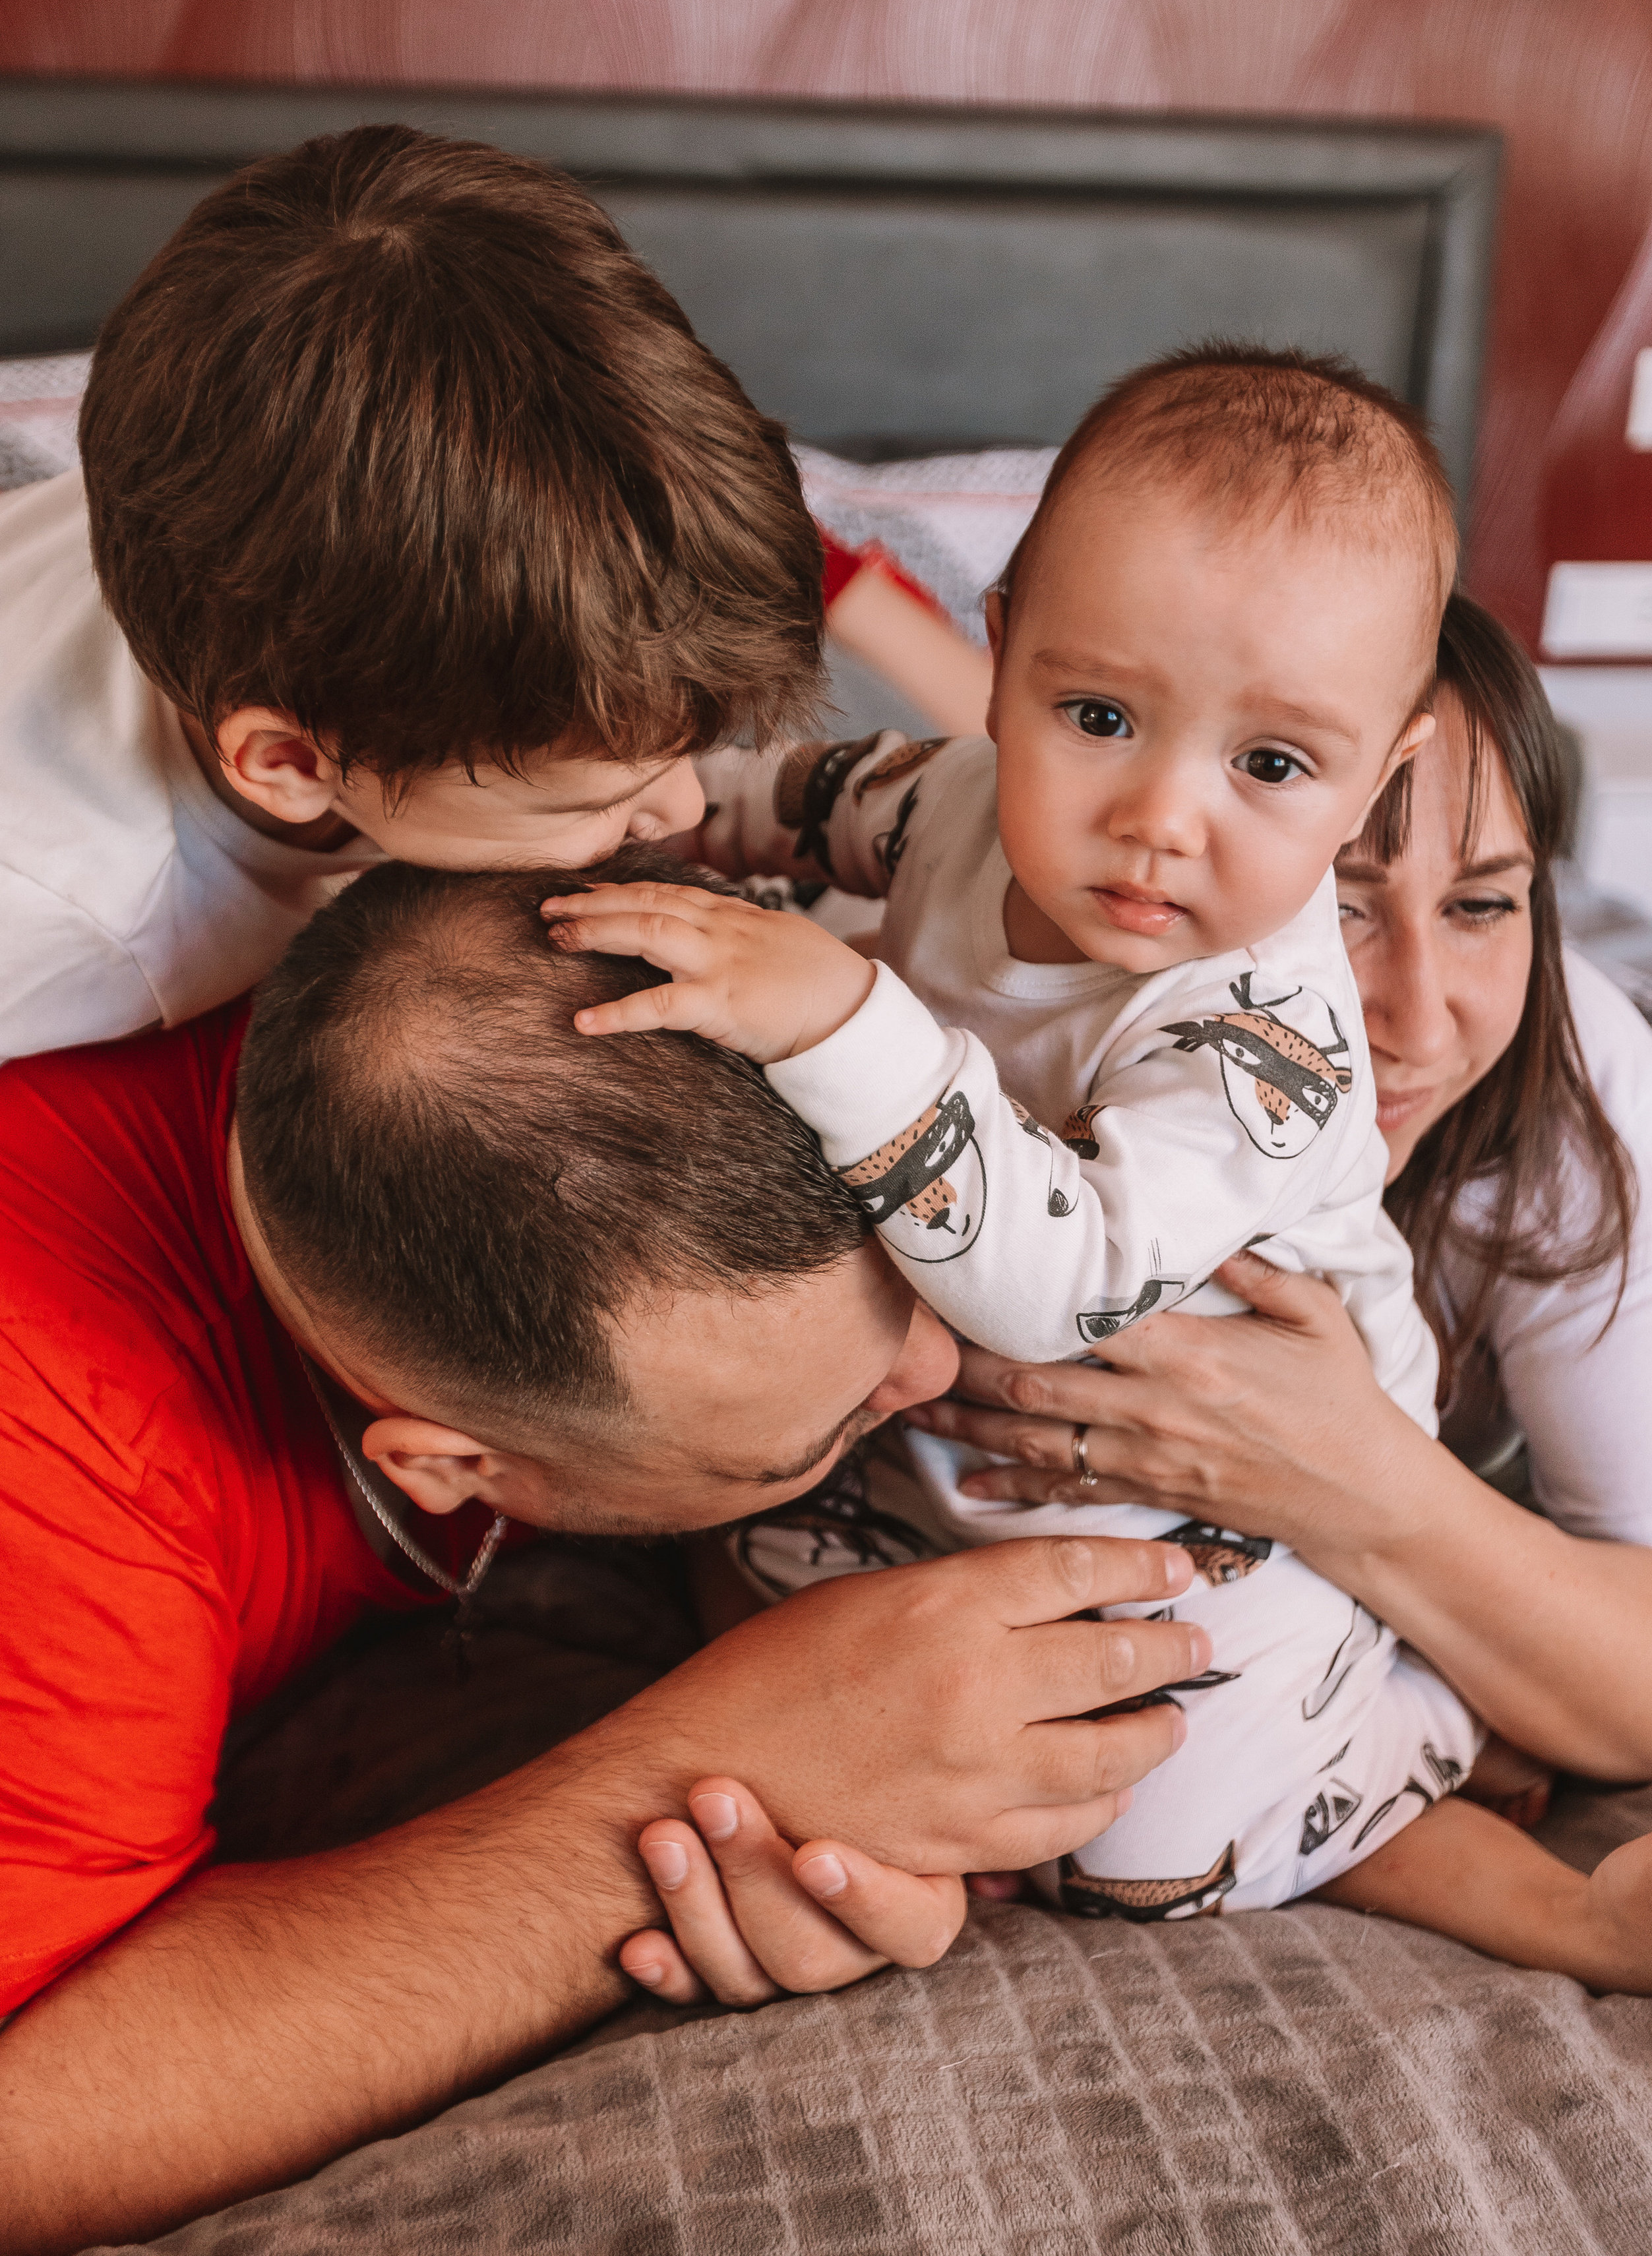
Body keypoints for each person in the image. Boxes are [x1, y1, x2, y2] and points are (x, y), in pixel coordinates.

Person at [549, 350, 1652, 1987]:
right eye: (1097, 719)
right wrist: (654, 814)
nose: (1158, 820)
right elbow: (813, 806)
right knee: (753, 1602)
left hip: (1235, 1539)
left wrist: (843, 1015)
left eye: (1272, 771)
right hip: (942, 1462)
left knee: (1151, 1848)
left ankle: (1403, 1730)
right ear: (999, 663)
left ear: (1368, 781)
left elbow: (1053, 1281)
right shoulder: (969, 802)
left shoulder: (1260, 1037)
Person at [0, 854, 1206, 2256]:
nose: (943, 1367)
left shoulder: (576, 982)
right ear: (457, 1469)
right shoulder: (62, 1453)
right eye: (804, 1439)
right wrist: (713, 1779)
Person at [905, 588, 1652, 1963]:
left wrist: (1345, 1472)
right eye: (1333, 916)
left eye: (1484, 903)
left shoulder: (1574, 1101)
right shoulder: (955, 1022)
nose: (1413, 1016)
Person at [0, 122, 821, 1062]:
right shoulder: (71, 917)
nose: (685, 811)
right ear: (294, 764)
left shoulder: (225, 487)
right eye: (579, 806)